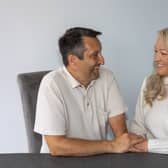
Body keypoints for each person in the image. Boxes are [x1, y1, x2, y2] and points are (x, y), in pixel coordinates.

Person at [34, 27, 143, 156]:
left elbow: (122, 136)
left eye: (100, 53)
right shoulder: (51, 84)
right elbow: (56, 146)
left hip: (99, 161)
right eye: (95, 55)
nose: (102, 60)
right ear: (73, 60)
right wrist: (112, 145)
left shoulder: (107, 77)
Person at [130, 28, 168, 154]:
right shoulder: (149, 82)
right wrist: (134, 141)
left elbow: (147, 145)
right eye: (155, 51)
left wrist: (149, 146)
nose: (156, 58)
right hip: (148, 161)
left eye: (163, 53)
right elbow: (138, 125)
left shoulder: (149, 146)